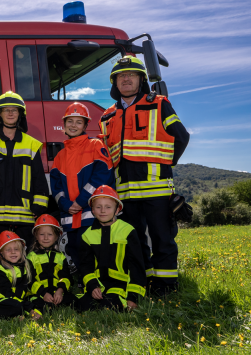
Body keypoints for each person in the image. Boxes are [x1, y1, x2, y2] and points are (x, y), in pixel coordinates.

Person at [99, 56, 190, 297]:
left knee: (162, 239)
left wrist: (164, 165)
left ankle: (167, 287)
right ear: (115, 83)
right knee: (135, 240)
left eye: (131, 74)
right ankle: (145, 282)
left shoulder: (159, 104)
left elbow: (181, 137)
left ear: (141, 79)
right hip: (125, 193)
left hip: (156, 189)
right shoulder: (107, 116)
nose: (126, 78)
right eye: (121, 76)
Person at [0, 91, 49, 269]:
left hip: (25, 215)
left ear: (20, 114)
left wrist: (39, 207)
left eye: (14, 110)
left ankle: (23, 290)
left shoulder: (32, 144)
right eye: (6, 110)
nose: (10, 113)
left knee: (24, 256)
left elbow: (39, 180)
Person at [50, 102, 113, 274]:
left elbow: (102, 175)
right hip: (70, 214)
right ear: (63, 124)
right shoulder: (60, 155)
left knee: (95, 249)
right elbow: (55, 185)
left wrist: (80, 201)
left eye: (79, 122)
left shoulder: (95, 145)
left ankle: (99, 285)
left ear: (86, 125)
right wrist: (64, 204)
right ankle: (84, 283)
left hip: (91, 213)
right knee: (75, 247)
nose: (73, 125)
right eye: (70, 121)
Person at [75, 186, 146, 311]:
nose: (103, 211)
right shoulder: (87, 235)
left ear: (117, 210)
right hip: (98, 285)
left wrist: (133, 297)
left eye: (108, 207)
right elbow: (85, 265)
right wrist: (92, 286)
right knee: (82, 306)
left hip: (120, 285)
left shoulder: (128, 231)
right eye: (98, 207)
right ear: (92, 210)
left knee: (109, 307)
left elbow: (136, 266)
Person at [0, 231, 41, 321]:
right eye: (8, 249)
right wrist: (30, 309)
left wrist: (44, 294)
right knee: (16, 306)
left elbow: (26, 288)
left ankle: (15, 316)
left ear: (22, 250)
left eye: (16, 249)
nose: (13, 252)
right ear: (1, 254)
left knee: (38, 300)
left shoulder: (24, 266)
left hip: (14, 299)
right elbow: (7, 294)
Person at [26, 214, 74, 311]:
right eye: (42, 234)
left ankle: (56, 303)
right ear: (36, 235)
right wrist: (43, 293)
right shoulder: (31, 257)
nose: (46, 238)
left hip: (57, 293)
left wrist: (60, 291)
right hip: (39, 294)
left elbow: (66, 277)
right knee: (40, 306)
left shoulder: (60, 256)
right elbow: (28, 280)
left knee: (76, 302)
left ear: (56, 236)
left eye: (50, 234)